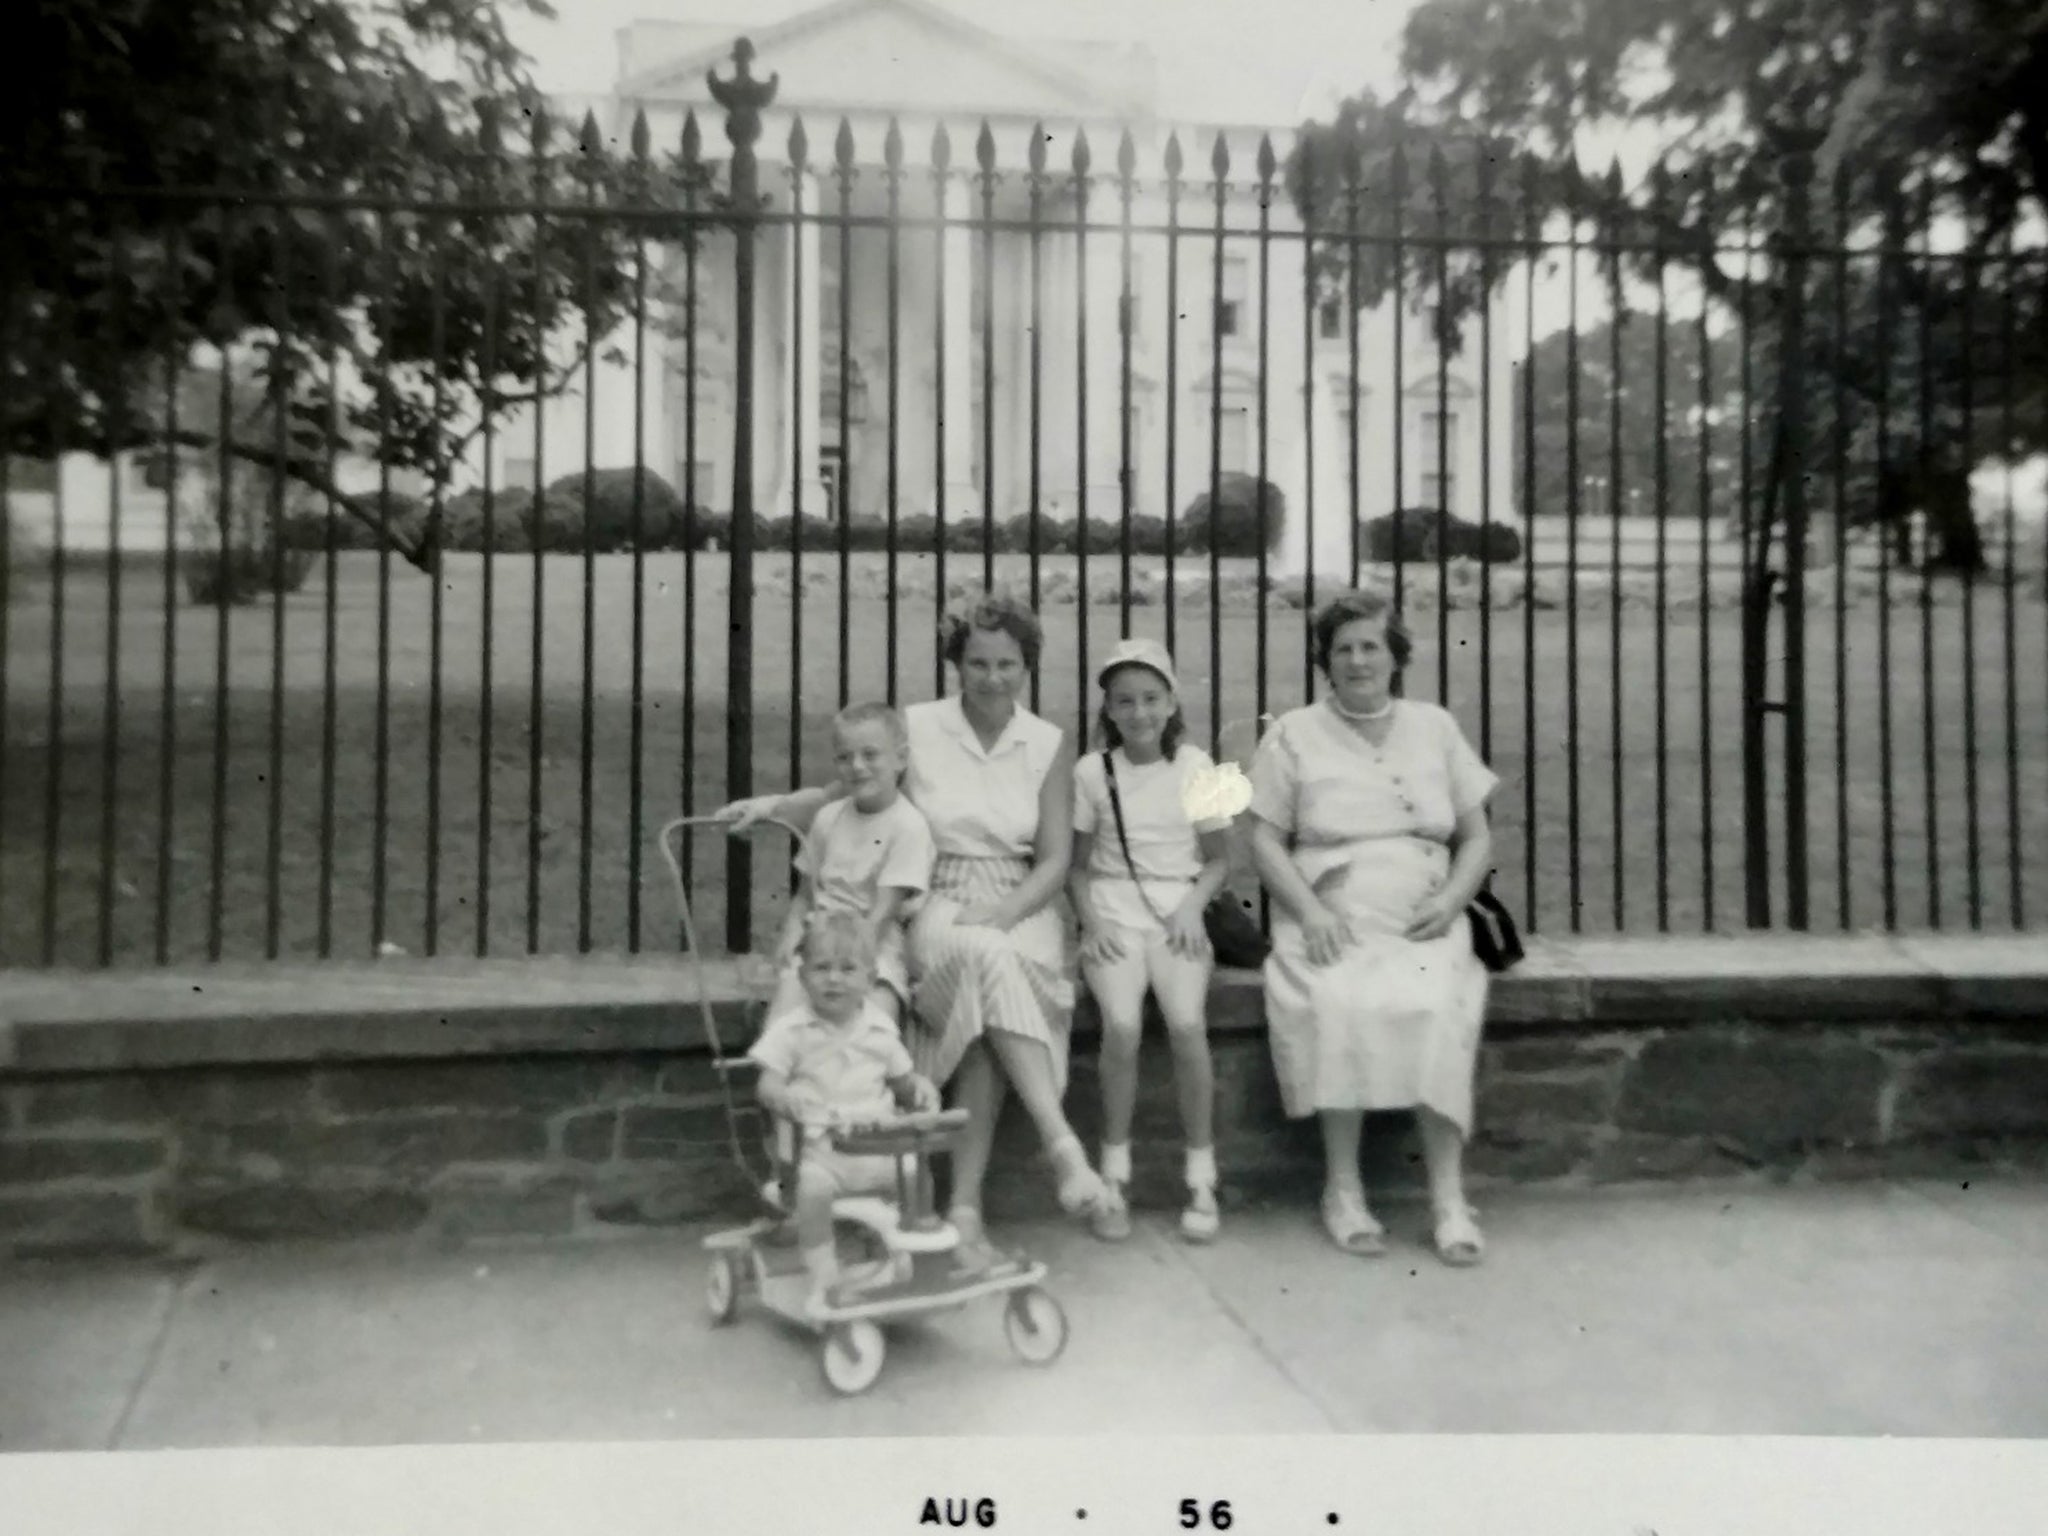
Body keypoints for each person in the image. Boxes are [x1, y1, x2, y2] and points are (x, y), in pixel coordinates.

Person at [719, 591, 1110, 1270]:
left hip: (1019, 898)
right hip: (938, 891)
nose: (992, 678)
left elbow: (1053, 860)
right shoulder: (922, 727)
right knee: (983, 958)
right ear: (956, 664)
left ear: (1028, 666)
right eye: (978, 663)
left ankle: (964, 1206)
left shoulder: (1046, 742)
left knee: (990, 985)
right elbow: (854, 788)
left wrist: (1010, 909)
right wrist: (774, 804)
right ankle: (1058, 1147)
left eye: (1008, 664)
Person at [1242, 588, 1498, 1267]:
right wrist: (1311, 911)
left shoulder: (1434, 727)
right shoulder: (1292, 733)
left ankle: (1448, 1197)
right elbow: (1262, 838)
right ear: (1326, 659)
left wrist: (1452, 902)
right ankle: (1344, 1189)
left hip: (1422, 916)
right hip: (1330, 914)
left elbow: (1476, 837)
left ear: (1395, 656)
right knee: (1339, 1000)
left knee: (1439, 1003)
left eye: (1371, 647)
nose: (1357, 661)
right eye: (1344, 648)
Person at [1068, 637, 1235, 1244]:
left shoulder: (1202, 767)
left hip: (1176, 915)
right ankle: (1114, 1175)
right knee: (1122, 1025)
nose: (1139, 713)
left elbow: (1220, 860)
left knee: (1186, 1022)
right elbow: (1079, 867)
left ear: (1172, 702)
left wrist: (1192, 906)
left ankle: (1201, 1175)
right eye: (1124, 702)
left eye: (1150, 699)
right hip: (1115, 911)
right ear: (1107, 711)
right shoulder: (1090, 772)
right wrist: (1093, 922)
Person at [748, 911, 941, 1317]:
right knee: (813, 1191)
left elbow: (903, 1082)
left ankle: (906, 1256)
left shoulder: (880, 1032)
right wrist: (785, 1097)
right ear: (803, 978)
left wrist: (919, 1088)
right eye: (821, 968)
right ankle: (824, 1271)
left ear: (870, 981)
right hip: (824, 1153)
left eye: (847, 969)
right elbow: (766, 1084)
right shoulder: (793, 1031)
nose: (833, 979)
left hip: (881, 1149)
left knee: (917, 1177)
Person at [763, 702, 934, 1028]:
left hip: (874, 948)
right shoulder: (828, 818)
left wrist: (846, 966)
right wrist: (792, 934)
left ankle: (869, 1077)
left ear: (900, 758)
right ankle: (788, 1077)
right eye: (845, 757)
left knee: (873, 1025)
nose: (857, 767)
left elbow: (882, 914)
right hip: (820, 941)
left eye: (870, 755)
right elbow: (805, 897)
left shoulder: (907, 826)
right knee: (786, 1024)